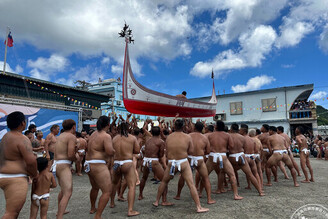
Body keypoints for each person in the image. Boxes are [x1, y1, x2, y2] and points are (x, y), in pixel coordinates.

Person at [153, 119, 209, 213]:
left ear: (174, 126)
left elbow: (167, 151)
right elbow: (191, 151)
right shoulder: (187, 137)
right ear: (183, 127)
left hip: (171, 162)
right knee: (191, 184)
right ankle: (198, 207)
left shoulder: (169, 137)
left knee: (164, 182)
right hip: (183, 162)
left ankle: (157, 201)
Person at [0, 111, 38, 218]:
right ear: (22, 123)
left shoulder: (5, 137)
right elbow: (31, 161)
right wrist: (35, 175)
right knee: (12, 213)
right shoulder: (22, 138)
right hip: (14, 178)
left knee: (13, 212)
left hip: (4, 175)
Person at [174, 122, 215, 204]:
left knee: (183, 176)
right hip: (199, 158)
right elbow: (208, 151)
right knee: (205, 178)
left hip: (189, 158)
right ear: (202, 129)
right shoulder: (204, 138)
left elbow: (183, 147)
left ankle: (178, 195)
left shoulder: (188, 136)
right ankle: (209, 199)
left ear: (194, 128)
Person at [85, 116, 114, 219]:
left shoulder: (93, 134)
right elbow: (109, 152)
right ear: (108, 125)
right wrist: (115, 151)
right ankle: (98, 216)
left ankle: (93, 208)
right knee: (107, 191)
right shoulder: (106, 136)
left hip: (88, 163)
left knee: (95, 187)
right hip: (98, 164)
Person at [110, 121, 140, 217]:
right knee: (131, 186)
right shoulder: (132, 138)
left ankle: (111, 203)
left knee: (114, 183)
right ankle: (130, 210)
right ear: (128, 128)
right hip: (127, 163)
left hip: (116, 163)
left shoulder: (114, 139)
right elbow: (137, 150)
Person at [138, 126, 172, 206]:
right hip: (154, 161)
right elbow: (161, 154)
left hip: (145, 161)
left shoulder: (147, 140)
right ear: (160, 132)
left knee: (144, 178)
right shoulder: (160, 142)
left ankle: (140, 195)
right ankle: (164, 200)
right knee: (164, 181)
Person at [228, 123, 264, 196]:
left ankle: (234, 193)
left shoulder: (228, 136)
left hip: (232, 156)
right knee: (251, 174)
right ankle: (260, 191)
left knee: (231, 174)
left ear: (231, 129)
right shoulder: (242, 138)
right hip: (242, 156)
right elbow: (245, 148)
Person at [53, 119, 77, 219]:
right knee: (67, 192)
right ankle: (59, 216)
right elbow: (71, 154)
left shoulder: (60, 136)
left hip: (57, 164)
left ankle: (60, 211)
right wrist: (77, 159)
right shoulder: (71, 136)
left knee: (63, 191)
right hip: (63, 165)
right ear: (73, 127)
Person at [239, 124, 261, 191]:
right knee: (255, 173)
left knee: (248, 173)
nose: (239, 131)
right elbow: (255, 149)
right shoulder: (252, 139)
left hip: (245, 156)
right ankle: (259, 187)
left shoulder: (242, 139)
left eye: (240, 130)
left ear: (243, 131)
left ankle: (249, 185)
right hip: (252, 156)